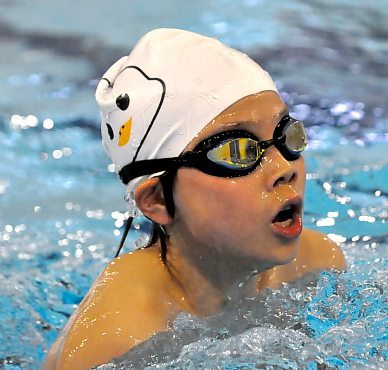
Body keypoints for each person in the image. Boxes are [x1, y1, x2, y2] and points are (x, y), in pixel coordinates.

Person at [44, 28, 345, 369]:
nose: (284, 168)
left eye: (285, 134)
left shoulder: (317, 263)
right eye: (237, 150)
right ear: (156, 199)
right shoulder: (117, 337)